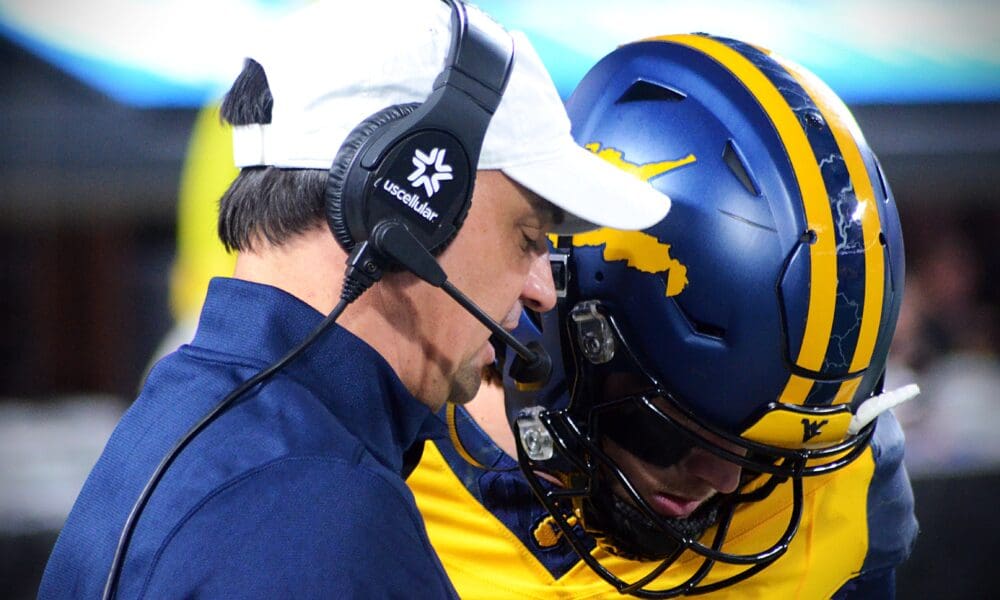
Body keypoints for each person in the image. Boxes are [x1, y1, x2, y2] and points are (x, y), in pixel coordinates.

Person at [37, 1, 669, 598]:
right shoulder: (312, 515)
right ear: (408, 206)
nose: (539, 290)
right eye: (528, 237)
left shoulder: (190, 422)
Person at [408, 33, 918, 597]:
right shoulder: (379, 478)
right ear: (566, 324)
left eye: (765, 454)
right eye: (682, 425)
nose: (725, 479)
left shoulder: (842, 487)